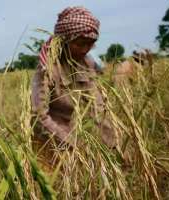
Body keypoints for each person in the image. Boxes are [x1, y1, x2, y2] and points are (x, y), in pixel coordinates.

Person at [31, 6, 117, 165]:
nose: (85, 49)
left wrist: (113, 147)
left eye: (90, 44)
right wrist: (74, 145)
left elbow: (97, 108)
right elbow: (39, 117)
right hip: (47, 140)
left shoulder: (86, 63)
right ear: (64, 40)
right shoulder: (48, 68)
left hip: (71, 134)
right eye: (80, 44)